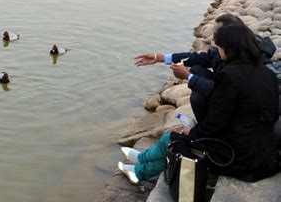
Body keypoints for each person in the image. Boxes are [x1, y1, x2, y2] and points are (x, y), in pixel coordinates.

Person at [120, 24, 279, 184]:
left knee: (173, 140)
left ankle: (140, 172)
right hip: (263, 152)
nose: (218, 49)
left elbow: (216, 124)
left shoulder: (229, 76)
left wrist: (192, 131)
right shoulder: (267, 74)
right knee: (180, 138)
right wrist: (160, 57)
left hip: (238, 158)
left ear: (228, 48)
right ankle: (141, 158)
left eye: (219, 46)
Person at [134, 14, 276, 122]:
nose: (213, 40)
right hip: (231, 99)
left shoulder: (248, 63)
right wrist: (159, 57)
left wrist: (188, 77)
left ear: (230, 35)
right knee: (197, 68)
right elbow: (200, 58)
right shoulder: (235, 50)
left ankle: (206, 127)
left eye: (216, 35)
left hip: (243, 114)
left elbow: (223, 91)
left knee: (197, 95)